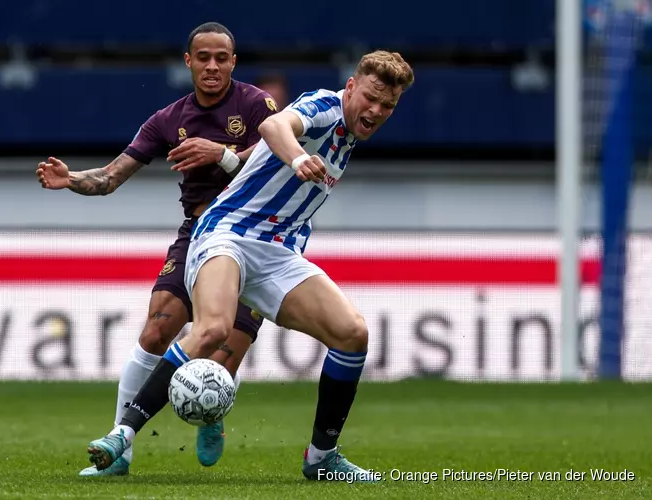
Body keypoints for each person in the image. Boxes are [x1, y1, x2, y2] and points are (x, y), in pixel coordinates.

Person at [85, 50, 414, 481]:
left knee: (353, 334)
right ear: (351, 87)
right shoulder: (324, 105)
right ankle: (122, 435)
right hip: (228, 233)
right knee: (213, 330)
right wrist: (297, 157)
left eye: (387, 105)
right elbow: (274, 125)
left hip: (279, 254)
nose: (375, 110)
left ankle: (322, 457)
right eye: (370, 97)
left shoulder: (351, 134)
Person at [35, 22, 278, 476]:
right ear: (188, 61)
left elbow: (278, 156)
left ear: (233, 62)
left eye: (221, 58)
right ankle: (118, 452)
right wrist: (71, 180)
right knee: (154, 331)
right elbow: (110, 177)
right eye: (202, 57)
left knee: (222, 356)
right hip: (199, 234)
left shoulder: (256, 105)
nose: (211, 66)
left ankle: (212, 412)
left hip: (254, 238)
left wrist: (221, 154)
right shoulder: (168, 120)